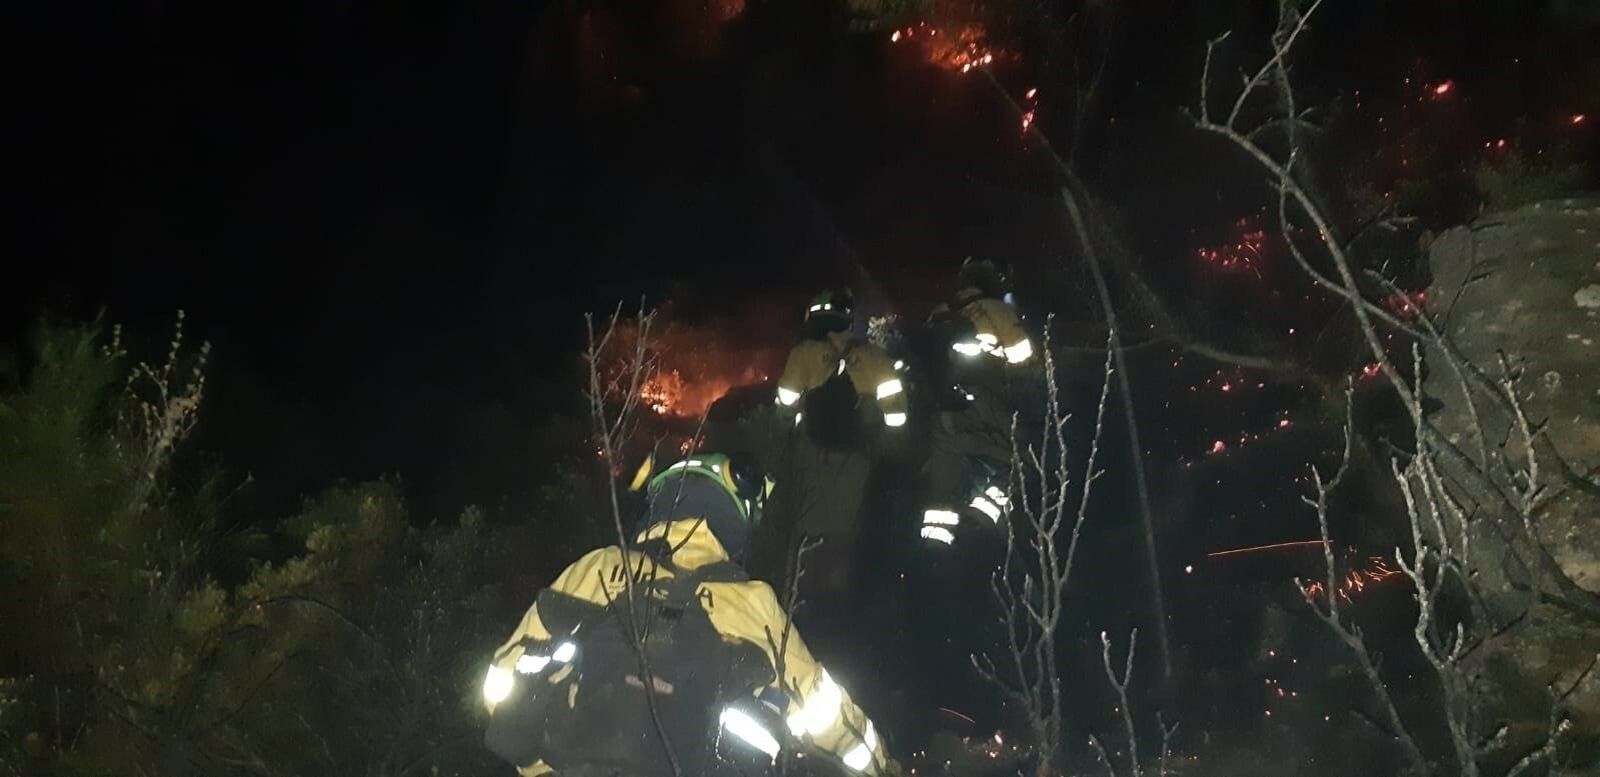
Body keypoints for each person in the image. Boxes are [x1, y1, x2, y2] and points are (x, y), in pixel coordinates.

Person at [481, 452, 895, 777]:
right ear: (736, 519)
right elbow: (823, 712)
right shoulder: (751, 601)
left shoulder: (600, 567)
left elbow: (503, 679)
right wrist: (881, 767)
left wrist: (542, 767)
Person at [917, 259, 1035, 547]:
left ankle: (934, 554)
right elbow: (1025, 362)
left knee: (941, 500)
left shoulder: (940, 314)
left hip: (942, 418)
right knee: (1021, 466)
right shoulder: (997, 311)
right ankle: (979, 526)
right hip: (985, 410)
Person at [774, 289, 908, 446]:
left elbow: (786, 408)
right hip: (861, 455)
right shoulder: (874, 357)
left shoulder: (803, 354)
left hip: (814, 453)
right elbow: (896, 413)